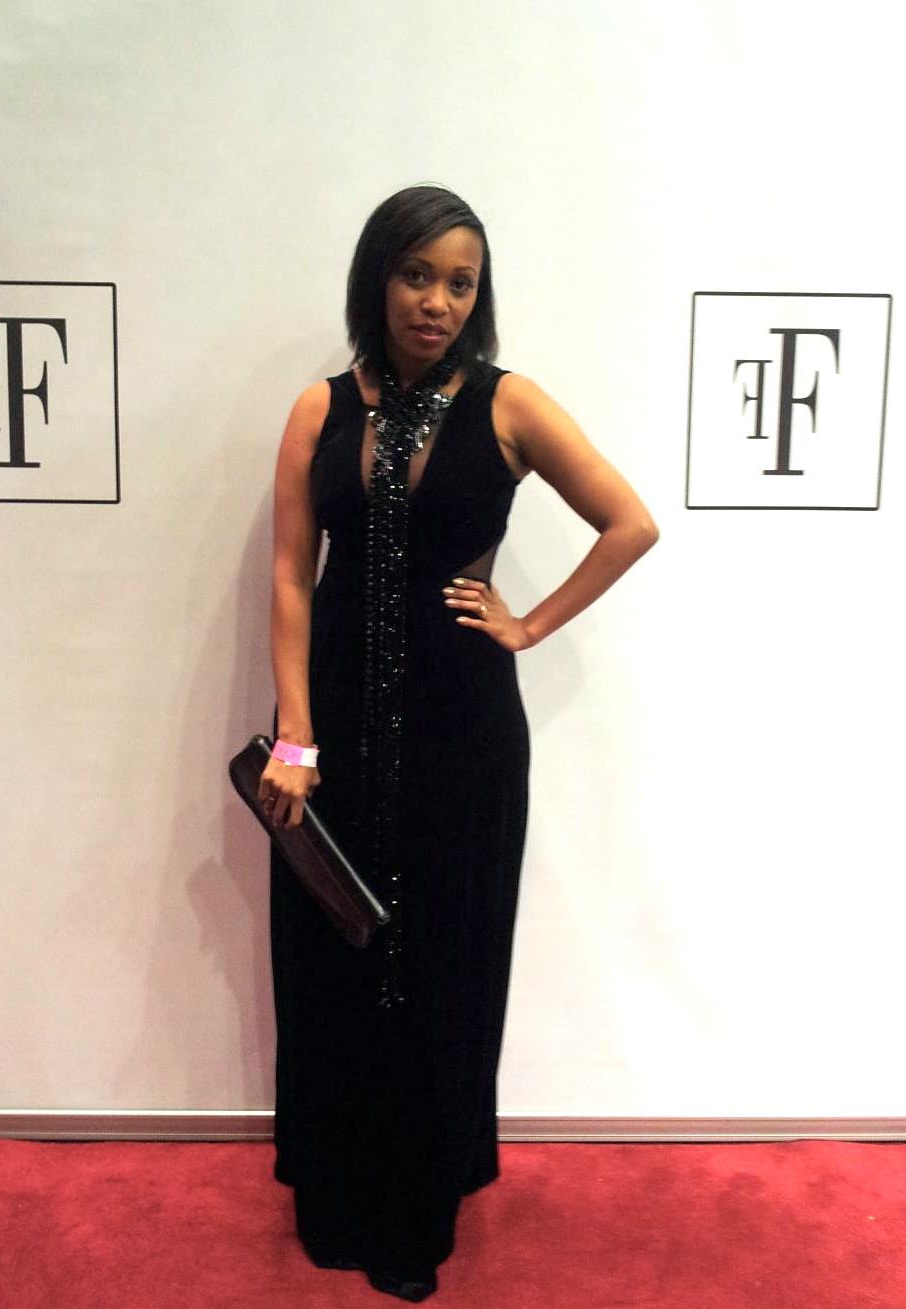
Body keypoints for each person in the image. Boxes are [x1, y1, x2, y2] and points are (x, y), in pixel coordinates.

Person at [258, 184, 658, 1301]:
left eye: (460, 282)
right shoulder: (317, 410)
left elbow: (630, 522)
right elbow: (290, 574)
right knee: (334, 947)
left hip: (462, 733)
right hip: (334, 726)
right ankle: (336, 1192)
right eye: (416, 274)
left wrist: (528, 623)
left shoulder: (508, 403)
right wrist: (295, 732)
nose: (436, 301)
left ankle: (417, 1202)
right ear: (376, 279)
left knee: (441, 959)